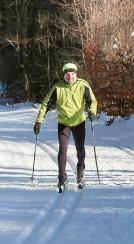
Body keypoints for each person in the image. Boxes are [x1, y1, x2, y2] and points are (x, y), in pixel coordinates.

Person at [34, 62, 98, 192]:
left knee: (80, 151)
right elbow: (46, 104)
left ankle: (80, 172)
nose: (70, 76)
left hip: (79, 122)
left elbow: (93, 101)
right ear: (64, 75)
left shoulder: (83, 85)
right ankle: (62, 178)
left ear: (76, 74)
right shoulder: (58, 87)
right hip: (64, 123)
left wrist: (92, 112)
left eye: (72, 74)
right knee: (63, 151)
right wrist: (39, 121)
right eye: (67, 74)